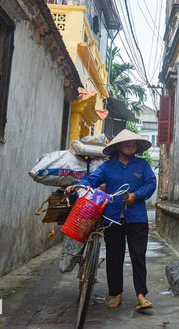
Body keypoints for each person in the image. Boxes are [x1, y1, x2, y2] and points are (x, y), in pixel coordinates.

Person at [67, 129, 156, 311]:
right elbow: (93, 179)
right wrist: (77, 186)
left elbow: (151, 183)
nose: (130, 146)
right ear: (118, 147)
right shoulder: (107, 167)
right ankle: (116, 293)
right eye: (126, 143)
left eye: (133, 144)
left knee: (138, 255)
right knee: (114, 256)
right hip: (112, 217)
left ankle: (141, 295)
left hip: (137, 217)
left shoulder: (142, 165)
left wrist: (135, 195)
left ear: (137, 147)